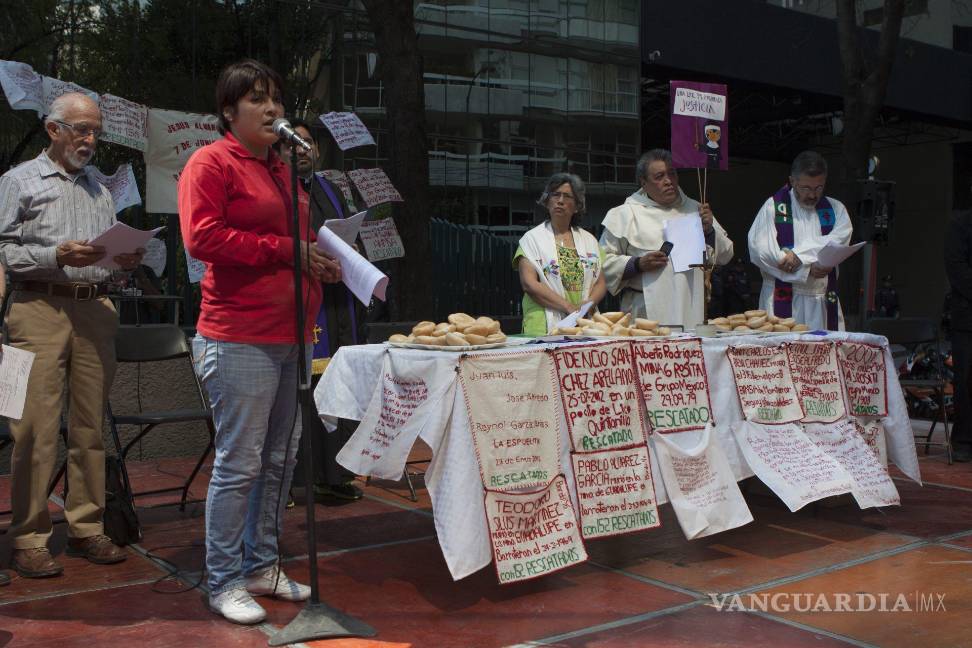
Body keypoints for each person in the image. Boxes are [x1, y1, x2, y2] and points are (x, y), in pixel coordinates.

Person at [178, 60, 341, 624]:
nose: (273, 109)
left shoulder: (282, 171)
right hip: (238, 335)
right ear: (229, 111)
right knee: (240, 462)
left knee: (279, 459)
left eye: (276, 99)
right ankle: (222, 579)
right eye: (258, 100)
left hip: (291, 332)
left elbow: (292, 242)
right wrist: (284, 250)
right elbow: (202, 238)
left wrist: (320, 261)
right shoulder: (211, 161)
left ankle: (262, 564)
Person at [0, 92, 142, 578]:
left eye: (96, 131)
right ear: (52, 129)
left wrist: (123, 260)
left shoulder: (101, 189)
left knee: (89, 428)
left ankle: (86, 527)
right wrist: (54, 255)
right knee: (34, 429)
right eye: (81, 129)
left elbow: (102, 253)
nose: (90, 139)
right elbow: (2, 253)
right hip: (36, 307)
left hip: (94, 310)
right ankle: (29, 537)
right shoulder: (17, 181)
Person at [277, 118, 363, 501]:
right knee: (303, 390)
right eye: (292, 144)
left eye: (307, 143)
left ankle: (334, 474)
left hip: (336, 295)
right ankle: (295, 480)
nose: (300, 150)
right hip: (300, 296)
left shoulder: (329, 186)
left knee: (336, 384)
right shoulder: (275, 188)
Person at [600, 149, 733, 329]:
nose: (668, 181)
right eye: (659, 176)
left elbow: (725, 255)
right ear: (643, 182)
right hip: (644, 310)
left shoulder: (696, 209)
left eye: (672, 174)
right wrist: (637, 264)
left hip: (691, 307)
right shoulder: (624, 214)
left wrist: (709, 231)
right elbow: (601, 263)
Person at [747, 150, 852, 330]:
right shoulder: (774, 207)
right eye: (806, 188)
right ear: (792, 181)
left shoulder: (835, 209)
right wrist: (807, 267)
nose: (812, 195)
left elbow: (837, 242)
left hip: (822, 301)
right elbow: (761, 250)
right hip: (781, 300)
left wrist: (799, 256)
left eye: (819, 187)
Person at [515, 173, 607, 335]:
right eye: (555, 195)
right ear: (547, 200)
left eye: (567, 196)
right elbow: (529, 284)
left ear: (577, 206)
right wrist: (568, 308)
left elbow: (601, 283)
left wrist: (587, 305)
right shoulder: (531, 239)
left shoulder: (590, 240)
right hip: (542, 324)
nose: (560, 201)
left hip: (583, 323)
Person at [945, 207, 972, 461]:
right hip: (968, 316)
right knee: (966, 380)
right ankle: (964, 441)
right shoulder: (961, 224)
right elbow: (956, 267)